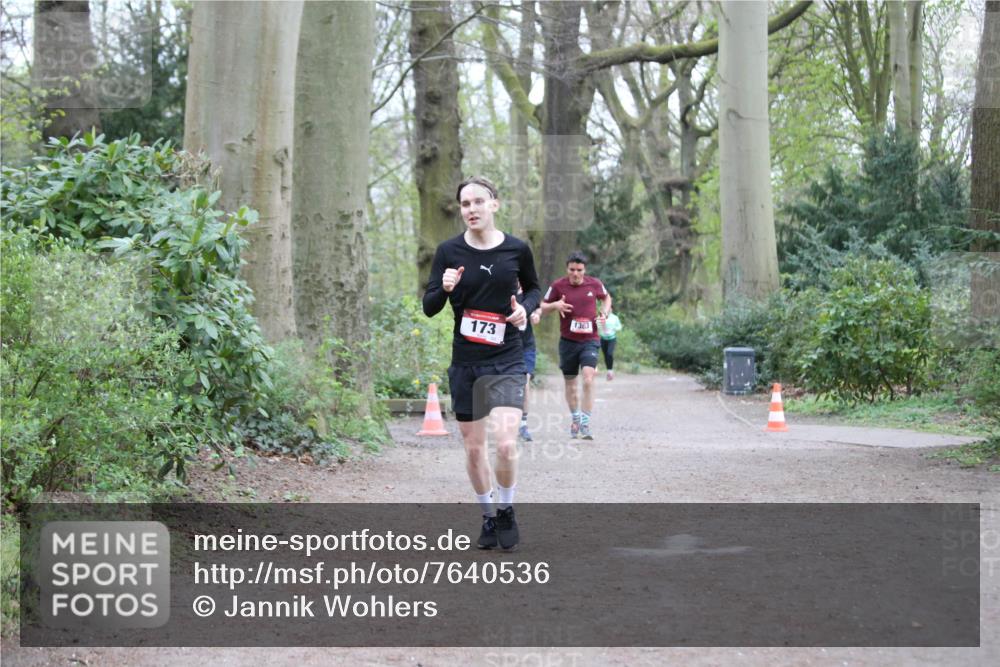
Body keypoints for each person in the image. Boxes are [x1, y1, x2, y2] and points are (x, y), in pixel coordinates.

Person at [422, 176, 541, 551]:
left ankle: (506, 509)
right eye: (464, 204)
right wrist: (443, 287)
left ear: (494, 204)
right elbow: (429, 308)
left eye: (478, 202)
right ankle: (488, 515)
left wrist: (526, 309)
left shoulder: (517, 250)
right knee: (474, 449)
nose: (470, 209)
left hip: (506, 356)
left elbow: (535, 289)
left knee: (505, 444)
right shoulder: (448, 251)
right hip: (466, 363)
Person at [539, 251, 611, 440]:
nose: (576, 274)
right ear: (567, 269)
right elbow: (541, 306)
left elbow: (606, 297)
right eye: (572, 270)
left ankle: (586, 422)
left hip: (590, 340)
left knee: (588, 377)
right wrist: (555, 306)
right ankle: (576, 417)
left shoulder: (594, 284)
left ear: (584, 270)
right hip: (568, 342)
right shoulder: (557, 286)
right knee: (571, 385)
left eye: (579, 270)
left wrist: (604, 311)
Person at [516, 282, 542, 442]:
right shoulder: (501, 288)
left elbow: (538, 307)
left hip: (526, 346)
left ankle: (523, 424)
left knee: (525, 383)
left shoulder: (528, 292)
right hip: (505, 346)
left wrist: (536, 314)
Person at [598, 309, 622, 381]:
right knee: (606, 355)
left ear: (611, 309)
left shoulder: (615, 318)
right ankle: (609, 371)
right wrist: (602, 330)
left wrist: (613, 329)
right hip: (603, 338)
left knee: (609, 353)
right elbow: (597, 326)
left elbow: (619, 327)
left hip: (612, 339)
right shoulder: (601, 317)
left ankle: (610, 371)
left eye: (609, 308)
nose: (608, 310)